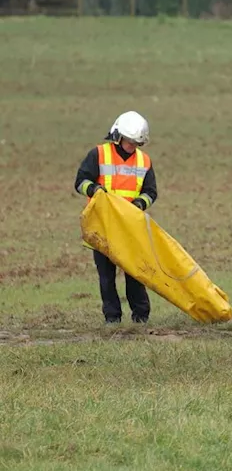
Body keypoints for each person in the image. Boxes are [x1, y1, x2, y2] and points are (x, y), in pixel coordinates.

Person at [74, 111, 157, 325]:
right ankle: (112, 318)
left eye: (136, 143)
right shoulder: (98, 154)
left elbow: (151, 192)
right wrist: (93, 189)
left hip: (130, 227)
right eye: (129, 141)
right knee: (107, 276)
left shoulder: (144, 161)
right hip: (103, 226)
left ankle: (141, 316)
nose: (132, 146)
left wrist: (140, 203)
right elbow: (80, 182)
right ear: (118, 136)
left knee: (135, 274)